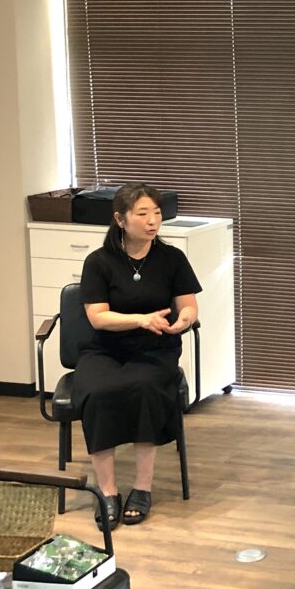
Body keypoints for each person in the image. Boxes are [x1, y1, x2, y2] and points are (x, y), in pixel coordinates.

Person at [74, 182, 201, 530]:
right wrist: (141, 319)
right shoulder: (98, 262)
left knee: (146, 388)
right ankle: (108, 492)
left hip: (155, 349)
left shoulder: (172, 259)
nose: (152, 221)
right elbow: (98, 317)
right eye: (142, 213)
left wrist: (184, 320)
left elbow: (189, 306)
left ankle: (142, 488)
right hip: (105, 349)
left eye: (156, 213)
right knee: (97, 392)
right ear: (120, 219)